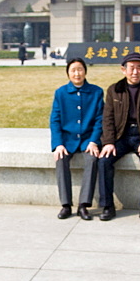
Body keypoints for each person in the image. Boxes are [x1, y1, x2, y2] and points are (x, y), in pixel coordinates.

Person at [98, 52, 140, 224]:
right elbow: (108, 119)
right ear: (123, 70)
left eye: (139, 68)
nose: (135, 72)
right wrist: (109, 142)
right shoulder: (114, 90)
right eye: (131, 68)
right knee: (104, 160)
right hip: (121, 136)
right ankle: (107, 206)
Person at [50, 57, 103, 220]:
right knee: (61, 159)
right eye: (73, 70)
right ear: (68, 73)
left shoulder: (96, 92)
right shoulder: (61, 93)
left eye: (80, 69)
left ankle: (83, 205)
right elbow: (55, 120)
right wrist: (58, 144)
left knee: (93, 160)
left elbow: (100, 119)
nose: (77, 73)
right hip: (68, 140)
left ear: (85, 71)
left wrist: (94, 141)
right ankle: (66, 205)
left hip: (88, 139)